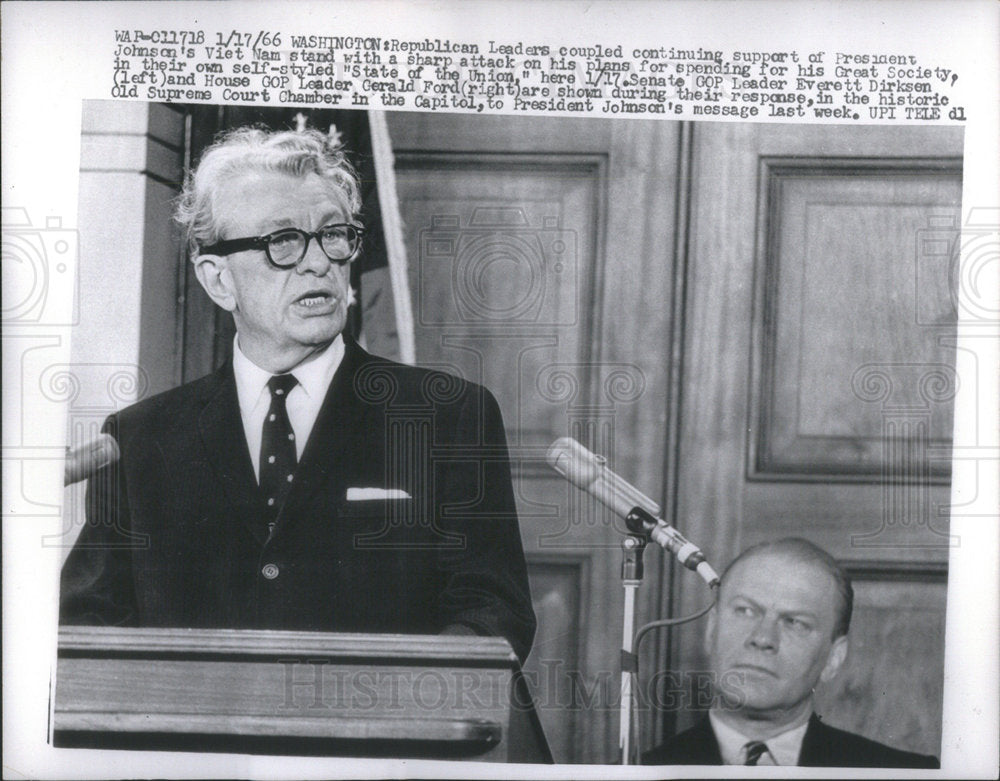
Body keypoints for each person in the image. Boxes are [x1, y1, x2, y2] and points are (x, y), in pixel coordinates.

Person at [59, 127, 536, 663]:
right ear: (218, 280)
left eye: (334, 234)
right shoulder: (139, 439)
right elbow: (86, 623)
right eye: (281, 242)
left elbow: (493, 612)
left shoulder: (448, 415)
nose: (319, 263)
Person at [643, 537, 939, 768]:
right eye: (745, 611)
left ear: (834, 658)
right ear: (711, 630)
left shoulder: (904, 773)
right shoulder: (636, 772)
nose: (762, 638)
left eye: (795, 622)